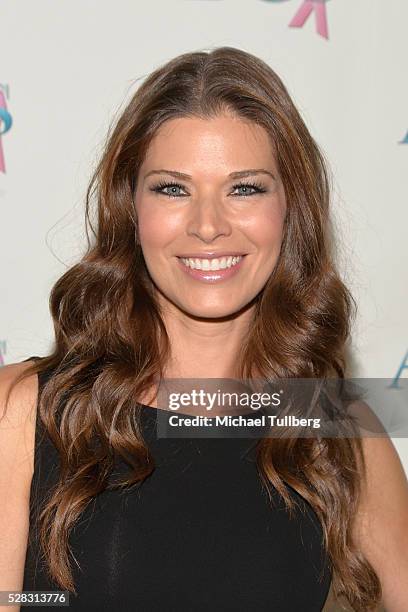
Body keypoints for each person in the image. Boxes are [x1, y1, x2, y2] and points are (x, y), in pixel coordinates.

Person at [0, 46, 407, 612]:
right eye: (173, 188)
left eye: (245, 188)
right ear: (130, 207)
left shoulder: (333, 427)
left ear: (292, 209)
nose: (208, 226)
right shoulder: (24, 410)